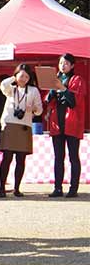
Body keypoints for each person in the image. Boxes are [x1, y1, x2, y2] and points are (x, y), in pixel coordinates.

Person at [0, 64, 43, 198]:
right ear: (16, 75)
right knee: (7, 158)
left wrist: (33, 108)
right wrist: (14, 77)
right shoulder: (11, 89)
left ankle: (17, 188)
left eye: (27, 76)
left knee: (21, 159)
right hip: (9, 124)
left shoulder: (34, 90)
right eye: (21, 75)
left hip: (25, 126)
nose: (24, 78)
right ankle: (2, 188)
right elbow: (3, 85)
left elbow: (40, 110)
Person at [46, 53, 86, 198]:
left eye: (66, 63)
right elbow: (49, 100)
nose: (63, 66)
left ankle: (73, 188)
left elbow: (74, 101)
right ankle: (57, 188)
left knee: (73, 156)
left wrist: (61, 88)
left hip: (72, 122)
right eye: (61, 63)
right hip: (58, 123)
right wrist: (51, 89)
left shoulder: (77, 79)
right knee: (58, 157)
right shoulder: (56, 79)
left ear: (72, 65)